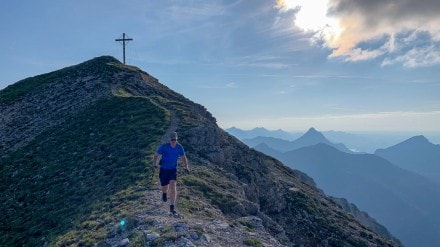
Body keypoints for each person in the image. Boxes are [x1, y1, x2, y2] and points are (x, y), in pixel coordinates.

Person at [153, 132, 190, 214]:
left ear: (177, 139)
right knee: (165, 187)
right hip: (163, 169)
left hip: (173, 169)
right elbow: (156, 155)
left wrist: (186, 167)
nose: (173, 141)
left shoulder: (179, 147)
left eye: (175, 140)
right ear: (169, 140)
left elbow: (183, 157)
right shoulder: (164, 146)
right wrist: (154, 164)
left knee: (173, 184)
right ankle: (164, 193)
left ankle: (172, 207)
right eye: (172, 140)